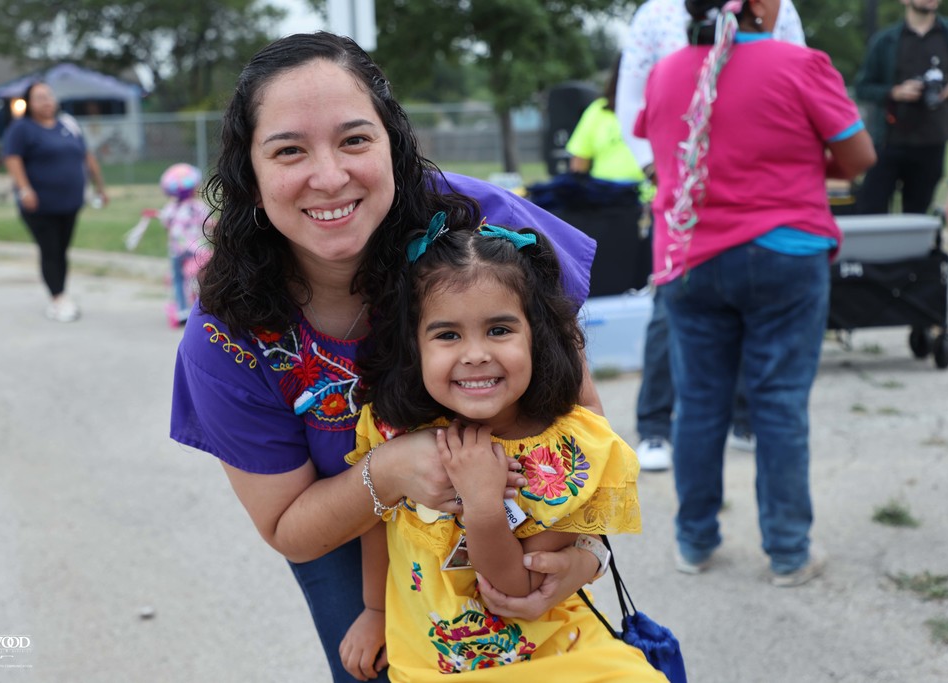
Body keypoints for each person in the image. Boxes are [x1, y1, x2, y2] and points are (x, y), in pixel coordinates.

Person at [169, 32, 608, 682]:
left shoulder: (483, 239)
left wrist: (585, 553)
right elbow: (289, 525)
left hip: (525, 514)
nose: (329, 175)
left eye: (354, 139)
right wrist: (392, 469)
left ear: (394, 150)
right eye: (289, 150)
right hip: (346, 537)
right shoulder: (226, 333)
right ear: (251, 180)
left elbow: (581, 420)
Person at [339, 220, 662, 681]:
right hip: (432, 667)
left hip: (554, 653)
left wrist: (484, 505)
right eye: (447, 335)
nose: (475, 354)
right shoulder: (391, 427)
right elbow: (377, 517)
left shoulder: (564, 451)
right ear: (414, 344)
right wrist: (374, 610)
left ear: (537, 336)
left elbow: (517, 589)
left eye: (499, 330)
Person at [635, 0, 876, 584]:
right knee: (778, 405)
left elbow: (663, 153)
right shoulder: (801, 64)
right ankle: (789, 551)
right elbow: (860, 159)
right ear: (763, 6)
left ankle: (694, 542)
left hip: (691, 259)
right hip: (785, 255)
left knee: (697, 404)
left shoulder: (666, 72)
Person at [616, 0, 806, 471]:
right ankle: (656, 426)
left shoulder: (776, 7)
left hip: (755, 193)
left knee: (752, 303)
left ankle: (745, 419)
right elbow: (631, 97)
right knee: (670, 308)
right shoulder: (656, 14)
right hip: (682, 191)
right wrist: (655, 167)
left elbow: (798, 76)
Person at [3, 81, 108, 322]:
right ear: (29, 102)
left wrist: (100, 186)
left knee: (61, 250)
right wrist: (25, 189)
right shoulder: (22, 128)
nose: (46, 101)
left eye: (49, 96)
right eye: (39, 97)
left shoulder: (67, 124)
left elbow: (86, 156)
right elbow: (12, 159)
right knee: (50, 250)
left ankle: (59, 294)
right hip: (39, 206)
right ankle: (58, 299)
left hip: (69, 204)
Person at [854, 0, 948, 215]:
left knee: (917, 215)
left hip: (933, 140)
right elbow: (863, 87)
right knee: (872, 209)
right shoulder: (885, 40)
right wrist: (895, 92)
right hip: (889, 141)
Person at [148, 163, 212, 326]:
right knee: (198, 279)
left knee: (178, 280)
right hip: (196, 249)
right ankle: (199, 309)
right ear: (193, 188)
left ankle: (182, 310)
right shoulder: (198, 206)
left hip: (177, 250)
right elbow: (209, 223)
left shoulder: (171, 207)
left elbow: (166, 224)